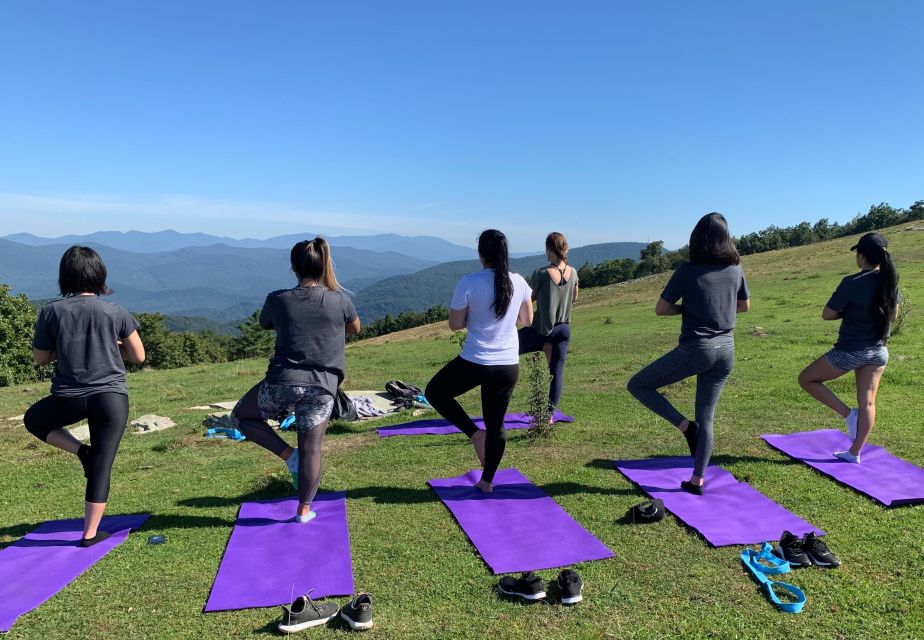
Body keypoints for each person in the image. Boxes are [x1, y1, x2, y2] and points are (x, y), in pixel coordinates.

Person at [230, 238, 360, 522]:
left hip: (282, 382)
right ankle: (304, 510)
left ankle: (289, 455)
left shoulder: (278, 299)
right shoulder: (340, 300)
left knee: (242, 417)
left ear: (293, 267)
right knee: (313, 448)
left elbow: (265, 323)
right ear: (324, 264)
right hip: (323, 387)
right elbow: (355, 327)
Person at [24, 246, 146, 547]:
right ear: (99, 274)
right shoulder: (116, 311)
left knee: (34, 420)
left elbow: (40, 358)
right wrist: (110, 344)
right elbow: (138, 356)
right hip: (111, 397)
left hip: (69, 396)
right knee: (102, 465)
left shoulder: (51, 311)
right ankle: (90, 534)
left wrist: (66, 349)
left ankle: (81, 451)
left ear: (65, 277)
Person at [627, 213, 749, 495]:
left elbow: (661, 309)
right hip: (727, 349)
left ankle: (684, 427)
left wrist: (690, 309)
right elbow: (743, 307)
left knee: (638, 385)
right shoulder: (736, 270)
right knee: (706, 416)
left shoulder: (687, 271)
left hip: (698, 347)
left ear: (698, 239)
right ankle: (697, 480)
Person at [425, 229, 533, 493]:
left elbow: (454, 324)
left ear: (481, 254)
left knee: (435, 392)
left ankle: (474, 434)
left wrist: (477, 318)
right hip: (507, 364)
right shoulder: (519, 282)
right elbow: (527, 320)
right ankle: (487, 481)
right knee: (496, 424)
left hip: (475, 361)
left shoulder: (469, 282)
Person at [797, 232, 900, 463]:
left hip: (852, 350)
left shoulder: (852, 282)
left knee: (806, 379)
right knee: (869, 402)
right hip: (879, 351)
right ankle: (855, 453)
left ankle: (848, 415)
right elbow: (893, 315)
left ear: (862, 256)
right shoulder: (889, 281)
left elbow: (827, 314)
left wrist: (849, 313)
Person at [518, 232, 578, 418]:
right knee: (556, 372)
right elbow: (575, 298)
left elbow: (529, 299)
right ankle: (549, 416)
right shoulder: (573, 272)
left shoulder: (542, 274)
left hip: (541, 329)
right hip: (563, 329)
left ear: (548, 249)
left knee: (507, 348)